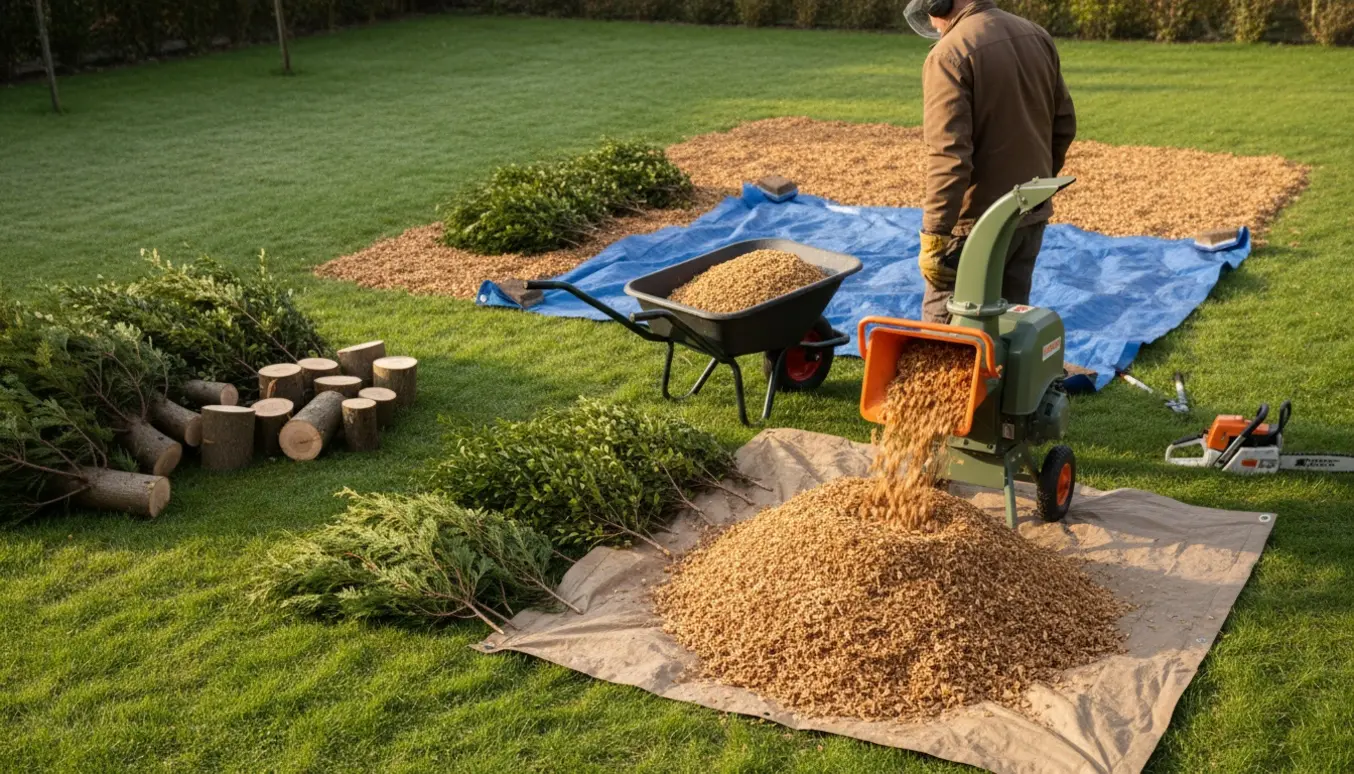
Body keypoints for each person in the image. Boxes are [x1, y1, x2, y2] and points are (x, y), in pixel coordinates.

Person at [903, 0, 1077, 323]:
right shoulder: (1036, 36)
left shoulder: (948, 54)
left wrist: (935, 235)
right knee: (1007, 326)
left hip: (975, 227)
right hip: (1028, 216)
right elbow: (1064, 125)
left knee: (946, 333)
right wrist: (1032, 188)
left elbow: (949, 157)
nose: (933, 21)